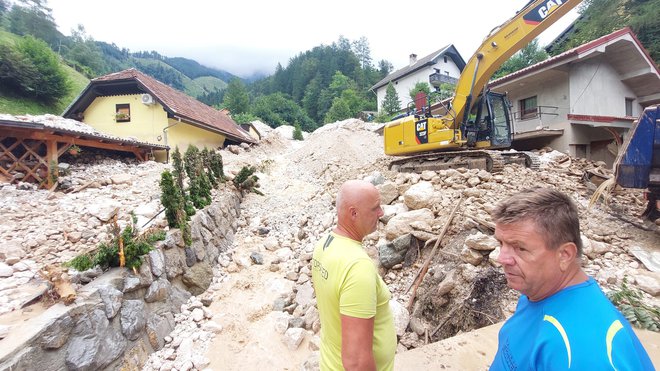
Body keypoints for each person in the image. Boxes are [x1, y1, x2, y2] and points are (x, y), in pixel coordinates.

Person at [490, 187, 653, 370]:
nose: (501, 258)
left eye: (520, 248)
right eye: (501, 243)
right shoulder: (538, 291)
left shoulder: (581, 351)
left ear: (565, 255)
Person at [311, 179, 396, 371]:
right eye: (375, 208)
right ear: (354, 213)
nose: (381, 213)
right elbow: (356, 363)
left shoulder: (325, 244)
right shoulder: (358, 267)